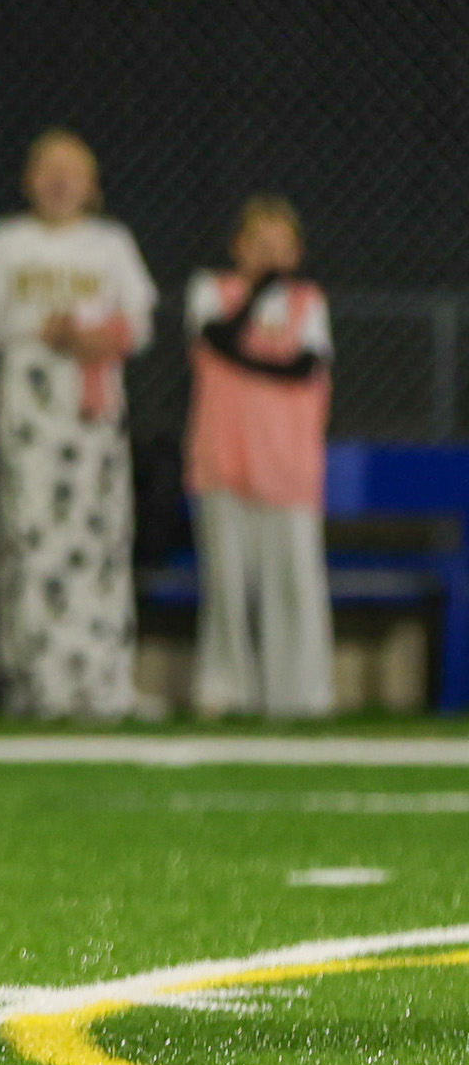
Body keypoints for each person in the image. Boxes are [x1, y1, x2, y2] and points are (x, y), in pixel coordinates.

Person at [0, 129, 157, 720]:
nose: (58, 179)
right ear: (28, 180)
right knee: (31, 541)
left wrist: (98, 337)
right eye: (47, 167)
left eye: (72, 169)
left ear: (92, 186)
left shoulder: (111, 244)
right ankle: (37, 680)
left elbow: (140, 320)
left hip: (92, 420)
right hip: (30, 419)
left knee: (97, 544)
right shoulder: (5, 242)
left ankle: (102, 681)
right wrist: (37, 331)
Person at [185, 194, 335, 718]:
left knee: (294, 580)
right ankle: (225, 689)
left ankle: (300, 694)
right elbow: (218, 339)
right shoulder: (211, 291)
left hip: (288, 465)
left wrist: (251, 359)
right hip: (222, 460)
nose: (269, 256)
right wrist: (256, 299)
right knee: (226, 582)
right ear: (237, 248)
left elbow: (305, 368)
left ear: (296, 253)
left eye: (279, 247)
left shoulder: (308, 303)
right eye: (257, 244)